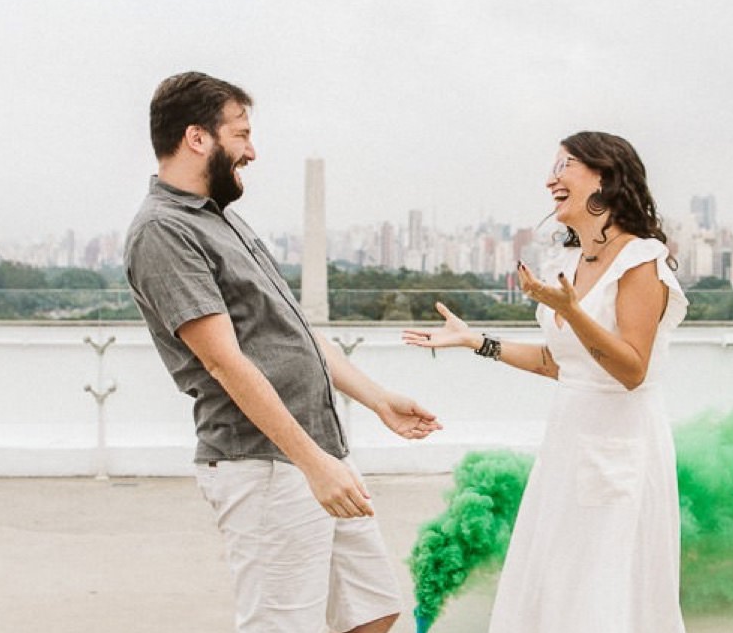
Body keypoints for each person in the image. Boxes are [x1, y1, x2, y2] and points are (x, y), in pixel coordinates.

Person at [125, 71, 441, 633]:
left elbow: (293, 332)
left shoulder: (221, 219)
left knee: (373, 610)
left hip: (314, 453)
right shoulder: (164, 231)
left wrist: (376, 400)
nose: (252, 150)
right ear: (198, 138)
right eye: (241, 134)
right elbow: (225, 362)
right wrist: (312, 463)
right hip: (265, 463)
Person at [403, 131, 689, 632]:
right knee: (557, 581)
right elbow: (560, 364)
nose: (550, 178)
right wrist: (476, 341)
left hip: (620, 448)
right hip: (568, 445)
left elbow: (630, 369)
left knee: (603, 586)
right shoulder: (572, 262)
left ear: (604, 176)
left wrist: (573, 313)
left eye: (566, 165)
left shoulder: (641, 259)